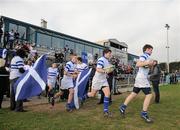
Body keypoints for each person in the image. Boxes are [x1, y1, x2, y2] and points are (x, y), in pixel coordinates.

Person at [119, 44, 154, 123]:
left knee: (133, 94)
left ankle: (122, 107)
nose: (152, 51)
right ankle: (144, 114)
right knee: (149, 95)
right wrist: (147, 63)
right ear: (147, 49)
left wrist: (150, 65)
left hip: (140, 77)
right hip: (142, 78)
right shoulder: (144, 55)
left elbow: (146, 67)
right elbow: (138, 64)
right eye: (151, 50)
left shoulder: (147, 57)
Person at [82, 48, 113, 117]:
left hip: (104, 80)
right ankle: (82, 98)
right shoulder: (101, 59)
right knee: (92, 94)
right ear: (105, 53)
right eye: (109, 53)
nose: (110, 55)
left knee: (107, 94)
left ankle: (105, 111)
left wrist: (109, 70)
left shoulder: (107, 61)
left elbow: (105, 70)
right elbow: (98, 69)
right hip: (97, 80)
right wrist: (105, 71)